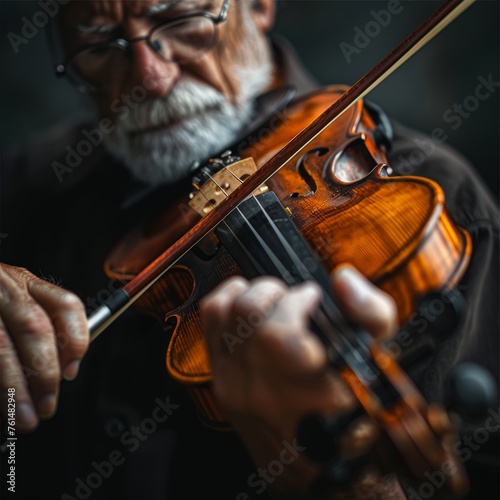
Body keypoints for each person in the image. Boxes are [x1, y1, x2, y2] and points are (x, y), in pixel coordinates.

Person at [1, 1, 498, 499]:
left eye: (180, 21)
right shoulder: (33, 185)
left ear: (257, 6)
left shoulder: (436, 196)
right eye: (99, 45)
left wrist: (342, 482)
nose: (148, 79)